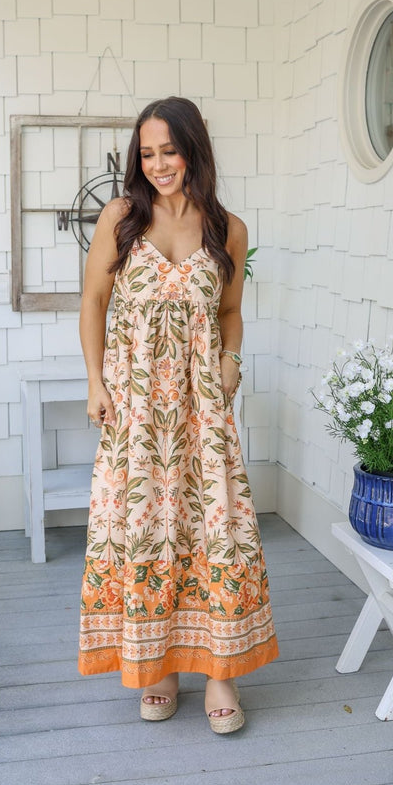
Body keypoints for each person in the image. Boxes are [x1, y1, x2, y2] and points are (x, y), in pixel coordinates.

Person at [77, 96, 278, 734]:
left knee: (212, 528)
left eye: (169, 150)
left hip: (201, 409)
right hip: (135, 408)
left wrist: (232, 361)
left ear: (194, 150)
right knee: (143, 529)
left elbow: (230, 312)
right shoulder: (121, 218)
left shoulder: (228, 229)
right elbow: (93, 303)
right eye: (147, 153)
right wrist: (96, 382)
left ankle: (220, 672)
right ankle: (157, 665)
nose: (159, 164)